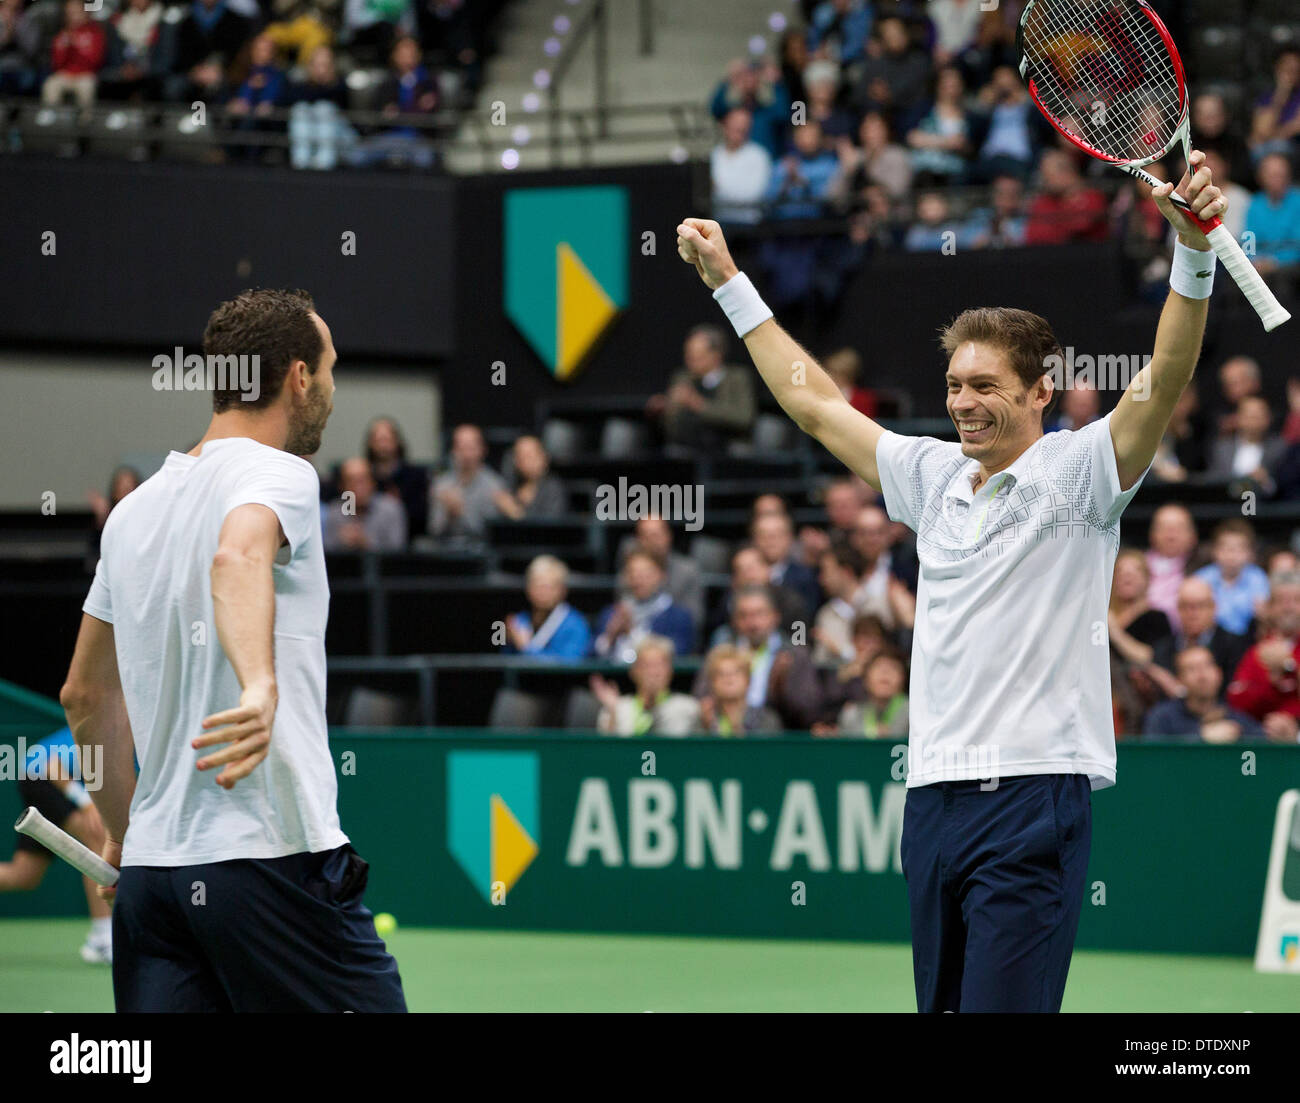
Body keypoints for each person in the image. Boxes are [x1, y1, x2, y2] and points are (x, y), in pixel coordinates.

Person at [674, 146, 1229, 1011]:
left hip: (1034, 795)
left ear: (1042, 390)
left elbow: (1161, 381)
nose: (965, 401)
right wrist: (729, 282)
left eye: (985, 385)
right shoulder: (930, 476)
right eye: (955, 384)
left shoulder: (1084, 474)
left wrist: (1193, 250)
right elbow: (814, 403)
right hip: (930, 799)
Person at [60, 288, 405, 1011]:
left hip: (155, 885)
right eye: (331, 369)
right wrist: (258, 686)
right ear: (299, 377)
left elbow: (85, 696)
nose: (335, 392)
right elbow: (237, 557)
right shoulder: (281, 473)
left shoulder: (130, 514)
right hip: (272, 864)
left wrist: (125, 834)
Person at [0, 727, 112, 964]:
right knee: (96, 836)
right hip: (41, 776)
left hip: (39, 777)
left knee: (24, 875)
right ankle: (102, 938)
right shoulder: (114, 723)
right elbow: (52, 765)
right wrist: (86, 803)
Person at [645, 324, 756, 453]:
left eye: (697, 357)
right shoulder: (683, 378)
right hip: (689, 446)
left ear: (716, 355)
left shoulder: (737, 378)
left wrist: (698, 404)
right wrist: (664, 410)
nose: (690, 362)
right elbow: (672, 428)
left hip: (728, 446)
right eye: (688, 356)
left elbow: (744, 418)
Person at [1226, 570, 1300, 744]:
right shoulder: (1256, 652)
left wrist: (1289, 667)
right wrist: (1273, 683)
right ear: (1269, 608)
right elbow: (1236, 700)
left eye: (1296, 600)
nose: (1288, 607)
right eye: (1281, 601)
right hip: (1262, 737)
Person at [592, 548, 695, 663]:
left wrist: (632, 632)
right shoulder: (611, 613)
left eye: (645, 573)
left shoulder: (678, 617)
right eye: (632, 573)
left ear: (662, 575)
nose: (638, 579)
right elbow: (593, 654)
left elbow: (678, 652)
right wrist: (611, 635)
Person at [1143, 647, 1264, 743]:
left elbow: (1261, 754)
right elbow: (1154, 761)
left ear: (1219, 674)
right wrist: (1201, 738)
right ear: (1179, 679)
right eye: (1192, 669)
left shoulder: (1236, 719)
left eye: (1208, 666)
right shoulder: (1163, 718)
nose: (1202, 676)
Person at [590, 636, 700, 737]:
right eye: (647, 666)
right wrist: (613, 712)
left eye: (659, 665)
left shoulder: (689, 707)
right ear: (634, 671)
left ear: (670, 671)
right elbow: (606, 752)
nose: (653, 672)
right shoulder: (617, 707)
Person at [428, 423, 505, 544]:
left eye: (471, 448)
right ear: (453, 451)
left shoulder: (494, 485)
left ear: (482, 450)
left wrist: (461, 513)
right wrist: (448, 515)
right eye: (461, 448)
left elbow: (490, 532)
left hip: (479, 551)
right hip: (444, 548)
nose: (466, 454)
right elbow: (434, 530)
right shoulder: (442, 484)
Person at [502, 555, 591, 660]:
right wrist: (509, 642)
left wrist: (527, 648)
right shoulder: (519, 621)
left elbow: (568, 666)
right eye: (537, 586)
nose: (543, 593)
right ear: (528, 588)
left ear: (563, 590)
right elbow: (505, 662)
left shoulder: (576, 625)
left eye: (549, 587)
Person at [1193, 519, 1271, 638]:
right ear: (1214, 551)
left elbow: (1262, 617)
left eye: (1238, 549)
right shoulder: (1201, 578)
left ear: (1250, 553)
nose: (1231, 555)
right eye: (1225, 548)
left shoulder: (1258, 578)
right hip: (1211, 640)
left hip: (1247, 639)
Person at [322, 456, 407, 551]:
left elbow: (398, 550)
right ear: (342, 486)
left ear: (372, 483)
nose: (357, 487)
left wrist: (367, 543)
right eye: (351, 481)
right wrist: (340, 542)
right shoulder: (334, 511)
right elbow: (326, 552)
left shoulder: (391, 509)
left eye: (362, 481)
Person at [696, 644, 782, 736]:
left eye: (736, 672)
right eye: (721, 674)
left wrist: (737, 728)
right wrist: (706, 729)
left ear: (748, 680)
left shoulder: (766, 719)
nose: (728, 678)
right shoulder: (703, 718)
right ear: (712, 683)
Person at [364, 415, 427, 539]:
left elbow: (423, 518)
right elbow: (347, 509)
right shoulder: (361, 475)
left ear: (397, 442)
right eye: (378, 440)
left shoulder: (416, 477)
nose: (383, 445)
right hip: (366, 542)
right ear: (370, 443)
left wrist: (398, 506)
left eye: (387, 439)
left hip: (409, 544)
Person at [710, 108, 773, 226]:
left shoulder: (759, 156)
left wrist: (717, 188)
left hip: (748, 225)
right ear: (724, 126)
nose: (739, 129)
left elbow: (753, 195)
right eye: (734, 125)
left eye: (743, 127)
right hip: (718, 222)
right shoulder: (715, 155)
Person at [41, 0, 107, 107]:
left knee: (86, 86)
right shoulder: (62, 34)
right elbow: (56, 64)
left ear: (85, 12)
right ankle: (53, 119)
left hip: (86, 74)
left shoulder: (95, 32)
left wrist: (76, 46)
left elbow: (96, 61)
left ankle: (85, 121)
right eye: (71, 13)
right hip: (65, 74)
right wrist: (66, 46)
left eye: (77, 12)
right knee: (50, 84)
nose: (74, 16)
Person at [834, 650, 909, 738]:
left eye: (894, 668)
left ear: (903, 678)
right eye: (878, 667)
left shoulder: (914, 712)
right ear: (865, 680)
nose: (885, 673)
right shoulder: (851, 713)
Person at [495, 434, 566, 521]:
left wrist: (515, 513)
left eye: (529, 456)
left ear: (544, 458)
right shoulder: (509, 487)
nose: (524, 461)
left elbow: (550, 527)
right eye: (519, 456)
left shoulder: (553, 488)